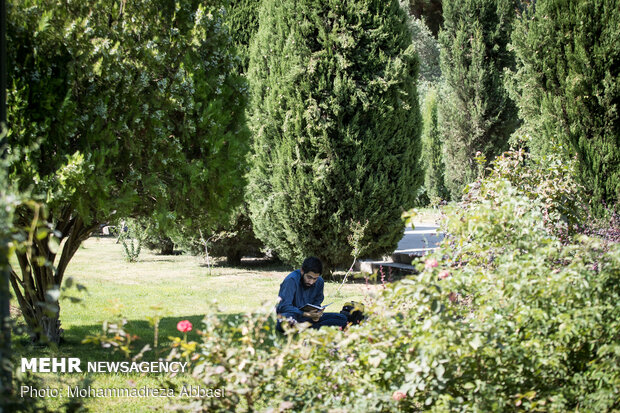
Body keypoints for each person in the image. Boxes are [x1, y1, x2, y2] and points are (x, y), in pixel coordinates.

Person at [276, 257, 348, 332]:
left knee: (342, 318)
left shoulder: (320, 282)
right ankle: (314, 329)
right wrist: (305, 314)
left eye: (315, 278)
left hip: (308, 318)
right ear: (302, 271)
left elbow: (316, 304)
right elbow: (283, 307)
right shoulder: (291, 280)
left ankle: (305, 328)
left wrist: (316, 314)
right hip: (292, 316)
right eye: (309, 277)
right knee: (285, 320)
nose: (311, 282)